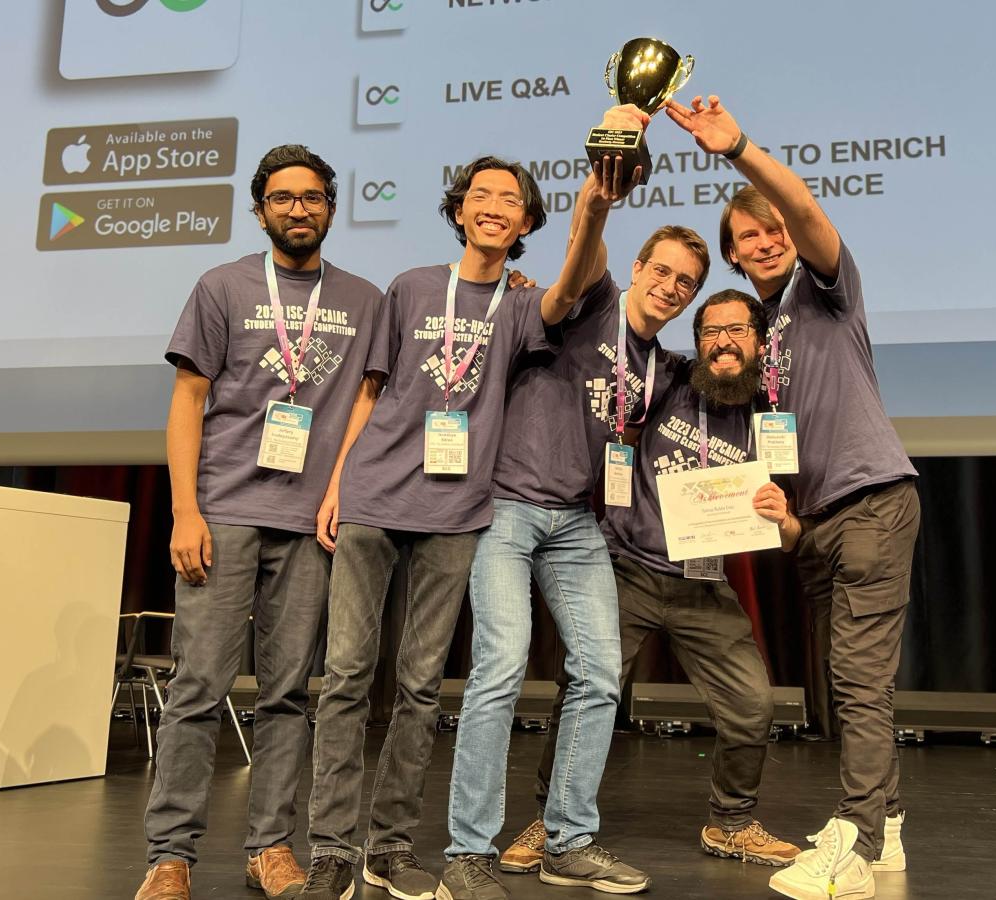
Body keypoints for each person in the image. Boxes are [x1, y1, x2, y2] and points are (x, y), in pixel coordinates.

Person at [298, 144, 633, 900]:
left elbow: (575, 279)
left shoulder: (521, 306)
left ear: (525, 221)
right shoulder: (412, 287)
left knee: (420, 687)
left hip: (457, 512)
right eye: (479, 194)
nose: (492, 205)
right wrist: (334, 484)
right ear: (458, 211)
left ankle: (388, 849)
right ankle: (330, 851)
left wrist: (598, 198)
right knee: (349, 677)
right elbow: (370, 392)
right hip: (374, 497)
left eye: (509, 199)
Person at [667, 95, 921, 900]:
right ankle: (885, 831)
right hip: (821, 522)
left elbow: (807, 209)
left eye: (773, 227)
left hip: (873, 503)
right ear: (735, 260)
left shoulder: (826, 290)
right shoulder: (764, 329)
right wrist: (784, 515)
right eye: (749, 236)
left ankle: (853, 841)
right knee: (844, 684)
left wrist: (735, 146)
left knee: (858, 684)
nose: (768, 239)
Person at [443, 177, 711, 897]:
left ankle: (568, 839)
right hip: (507, 507)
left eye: (685, 282)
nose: (671, 287)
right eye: (661, 271)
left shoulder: (663, 368)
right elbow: (584, 240)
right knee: (500, 669)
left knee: (598, 673)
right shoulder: (592, 304)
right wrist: (602, 186)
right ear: (636, 270)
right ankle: (467, 852)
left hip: (576, 523)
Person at [137, 145, 381, 900]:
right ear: (260, 209)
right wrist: (185, 510)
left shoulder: (366, 299)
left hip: (309, 523)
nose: (299, 209)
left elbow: (368, 404)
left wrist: (340, 486)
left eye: (312, 198)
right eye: (283, 198)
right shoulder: (222, 285)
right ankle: (170, 856)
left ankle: (270, 846)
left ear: (332, 208)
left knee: (286, 694)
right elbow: (189, 398)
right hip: (223, 513)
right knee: (199, 687)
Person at [501, 289, 803, 877]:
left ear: (760, 342)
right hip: (628, 571)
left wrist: (782, 517)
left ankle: (732, 822)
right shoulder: (667, 382)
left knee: (753, 704)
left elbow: (793, 534)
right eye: (711, 331)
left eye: (737, 331)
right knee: (585, 693)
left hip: (704, 585)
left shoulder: (774, 417)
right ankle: (553, 822)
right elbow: (607, 359)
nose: (723, 342)